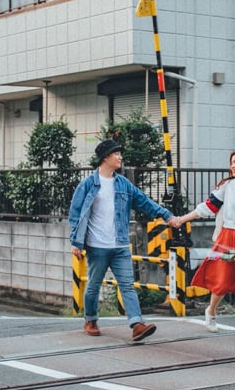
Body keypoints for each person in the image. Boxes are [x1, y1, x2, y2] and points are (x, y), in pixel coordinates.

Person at [69, 139, 175, 342]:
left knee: (127, 285)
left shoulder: (123, 184)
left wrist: (167, 216)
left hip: (120, 245)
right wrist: (75, 242)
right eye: (116, 154)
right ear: (105, 157)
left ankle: (137, 325)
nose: (120, 157)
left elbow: (144, 202)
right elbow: (75, 213)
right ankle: (90, 320)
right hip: (97, 246)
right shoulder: (88, 184)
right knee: (93, 285)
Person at [170, 150, 235, 342]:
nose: (232, 166)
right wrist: (182, 219)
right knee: (223, 281)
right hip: (228, 237)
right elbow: (207, 207)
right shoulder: (227, 186)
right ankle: (211, 311)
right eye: (231, 162)